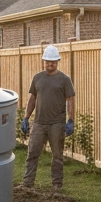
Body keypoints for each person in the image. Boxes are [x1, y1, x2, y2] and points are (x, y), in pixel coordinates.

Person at [21, 45, 75, 190]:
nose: (50, 64)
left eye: (53, 61)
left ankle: (57, 185)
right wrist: (26, 117)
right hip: (39, 123)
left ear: (57, 61)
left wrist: (71, 120)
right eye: (47, 61)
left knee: (57, 156)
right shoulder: (37, 78)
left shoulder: (64, 79)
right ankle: (27, 184)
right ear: (43, 61)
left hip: (57, 123)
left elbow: (70, 99)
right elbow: (32, 98)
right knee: (32, 153)